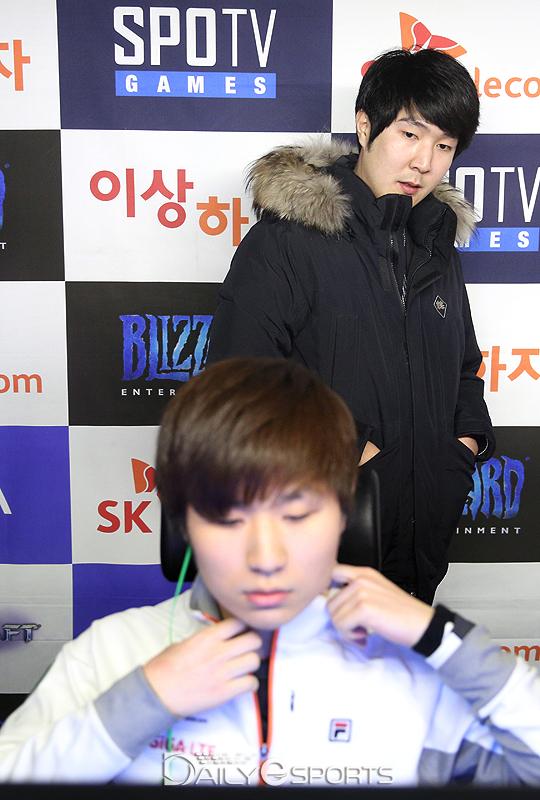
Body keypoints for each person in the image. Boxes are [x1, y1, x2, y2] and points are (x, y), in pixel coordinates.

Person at [0, 357, 538, 786]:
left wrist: (438, 636)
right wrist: (142, 701)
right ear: (183, 524)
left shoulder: (412, 670)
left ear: (346, 515)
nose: (265, 557)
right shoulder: (111, 652)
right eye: (228, 519)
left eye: (296, 516)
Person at [206, 48, 495, 604]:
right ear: (365, 126)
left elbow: (463, 368)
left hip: (421, 546)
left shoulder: (435, 244)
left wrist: (459, 451)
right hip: (311, 551)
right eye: (409, 135)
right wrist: (352, 459)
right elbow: (236, 388)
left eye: (444, 146)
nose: (424, 163)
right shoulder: (287, 240)